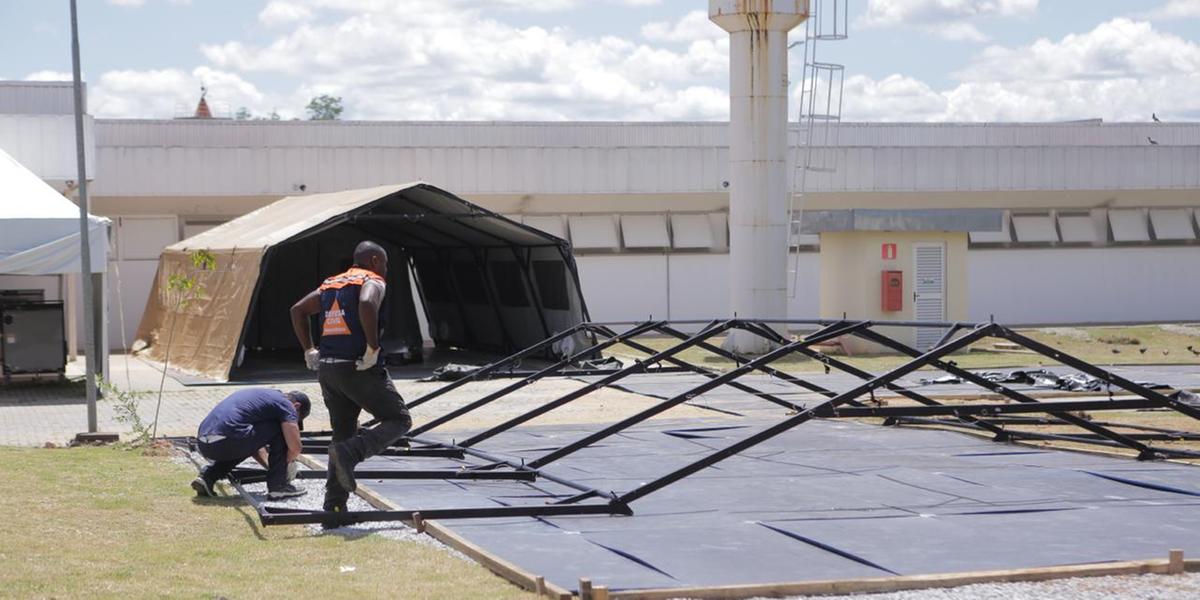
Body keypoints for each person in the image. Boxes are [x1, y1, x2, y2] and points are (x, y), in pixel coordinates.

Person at [290, 240, 412, 520]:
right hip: (357, 368)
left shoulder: (331, 283)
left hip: (329, 371)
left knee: (341, 434)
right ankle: (353, 452)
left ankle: (334, 507)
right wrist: (373, 347)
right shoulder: (372, 279)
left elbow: (297, 310)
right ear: (373, 260)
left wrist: (309, 348)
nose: (385, 270)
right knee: (399, 419)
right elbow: (368, 302)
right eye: (384, 263)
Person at [191, 388, 311, 500]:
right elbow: (295, 447)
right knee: (281, 428)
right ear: (296, 406)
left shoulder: (263, 398)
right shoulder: (285, 404)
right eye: (296, 419)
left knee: (238, 440)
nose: (294, 421)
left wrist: (272, 467)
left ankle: (207, 477)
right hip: (228, 439)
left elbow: (252, 446)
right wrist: (286, 466)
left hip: (205, 443)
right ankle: (279, 487)